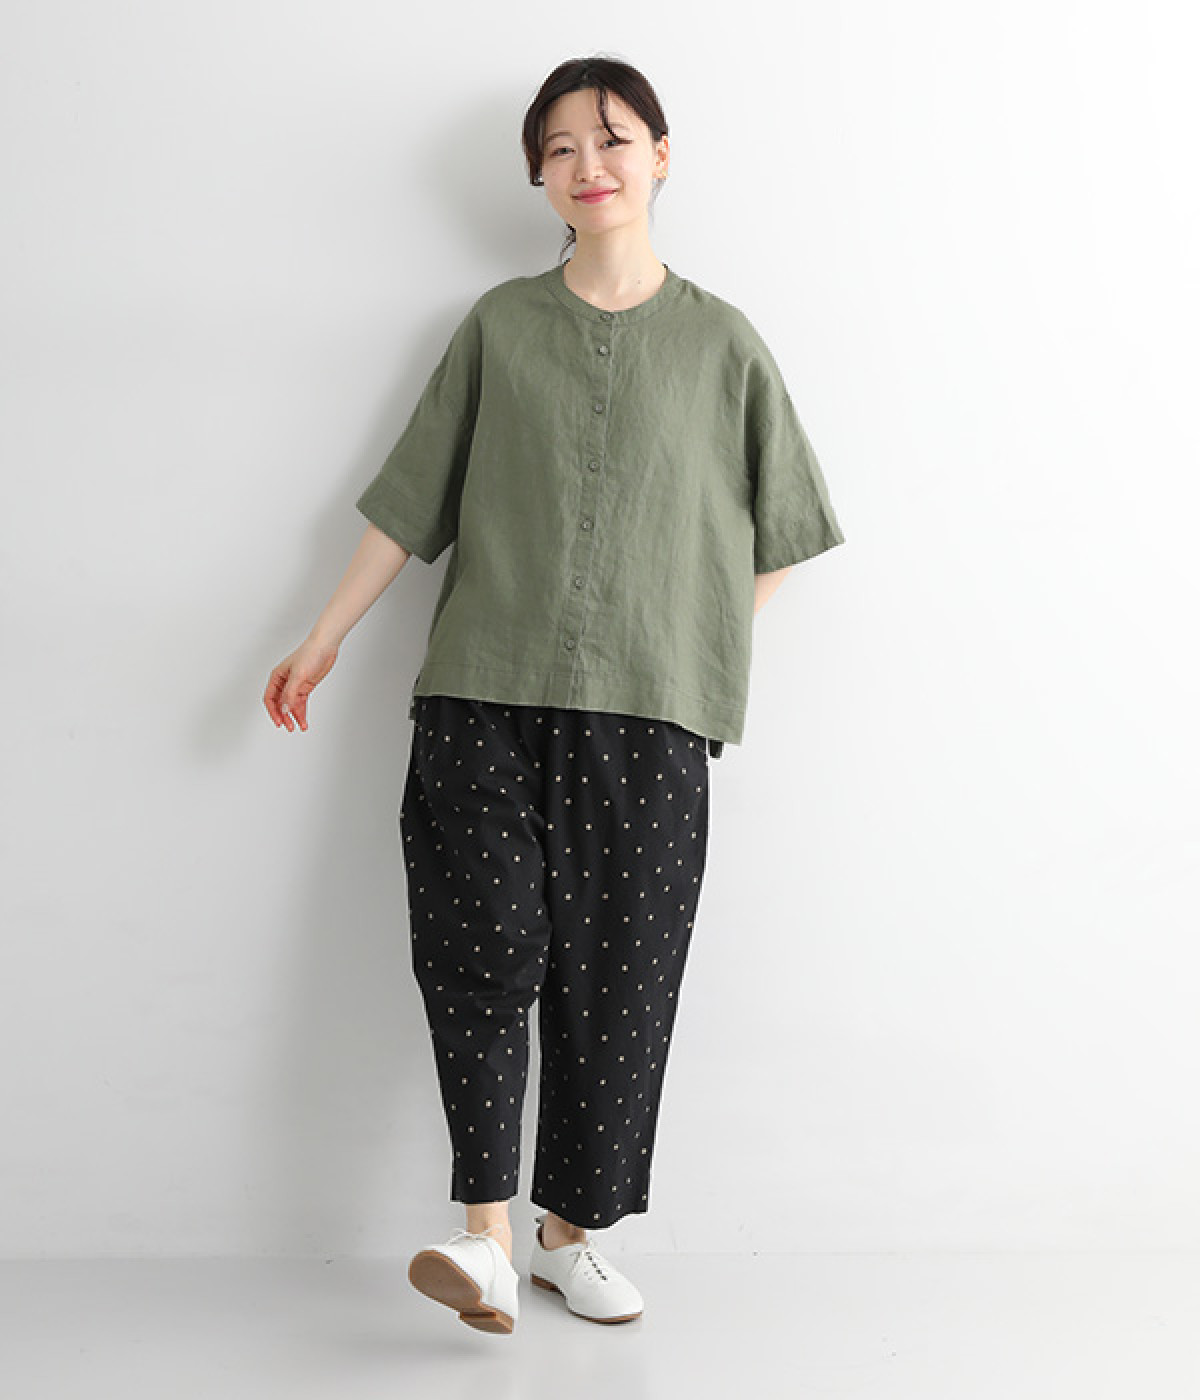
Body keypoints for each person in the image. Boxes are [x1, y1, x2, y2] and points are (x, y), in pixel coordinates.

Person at [263, 54, 845, 1335]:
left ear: (661, 156)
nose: (590, 164)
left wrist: (694, 651)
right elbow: (410, 501)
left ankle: (565, 1240)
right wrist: (323, 636)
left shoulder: (725, 344)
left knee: (618, 985)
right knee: (480, 954)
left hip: (653, 721)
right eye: (562, 146)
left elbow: (787, 530)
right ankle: (482, 1236)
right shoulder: (498, 327)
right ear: (538, 174)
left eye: (614, 138)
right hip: (480, 695)